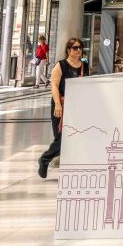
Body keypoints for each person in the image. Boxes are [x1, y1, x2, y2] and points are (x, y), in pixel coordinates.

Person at [38, 38, 89, 178]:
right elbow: (54, 85)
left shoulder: (84, 66)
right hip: (60, 105)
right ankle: (45, 159)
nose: (78, 50)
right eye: (75, 48)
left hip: (76, 106)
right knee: (61, 138)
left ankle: (69, 170)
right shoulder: (60, 65)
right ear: (68, 50)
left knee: (72, 137)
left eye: (80, 48)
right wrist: (58, 104)